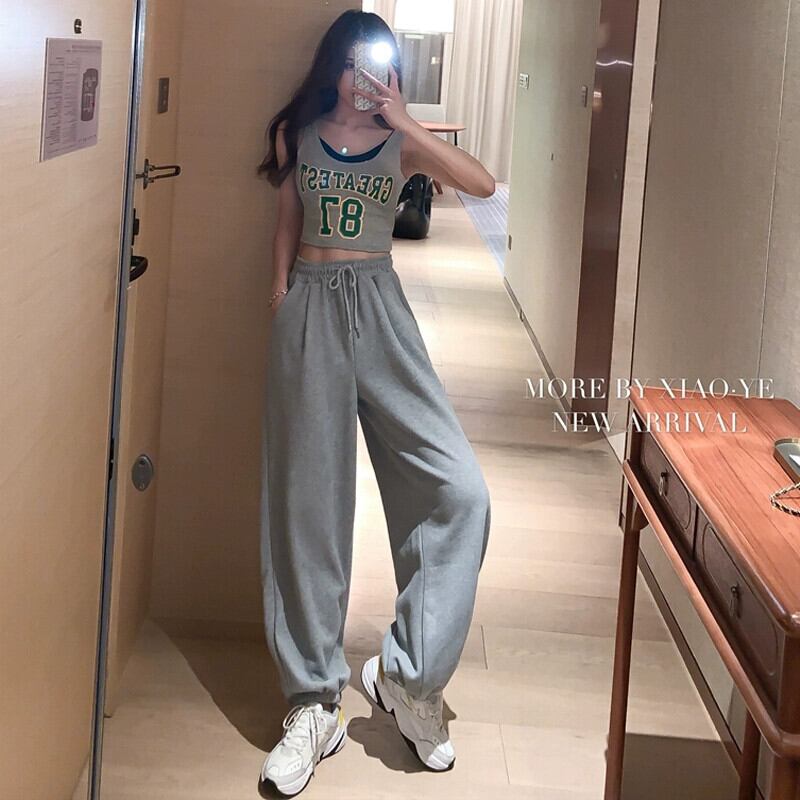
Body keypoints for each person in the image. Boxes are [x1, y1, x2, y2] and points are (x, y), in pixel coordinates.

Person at [256, 10, 495, 797]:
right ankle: (312, 702)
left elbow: (481, 185)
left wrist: (407, 121)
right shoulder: (298, 135)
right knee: (308, 506)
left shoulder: (399, 140)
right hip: (310, 312)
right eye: (354, 65)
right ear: (335, 65)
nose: (364, 81)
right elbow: (287, 216)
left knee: (460, 492)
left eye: (377, 67)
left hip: (381, 309)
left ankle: (407, 679)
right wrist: (281, 294)